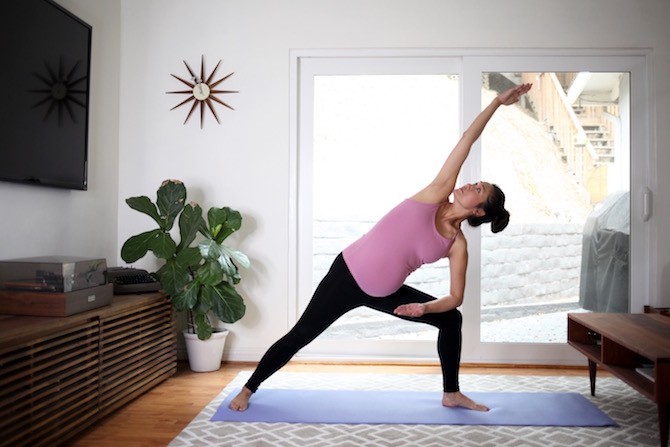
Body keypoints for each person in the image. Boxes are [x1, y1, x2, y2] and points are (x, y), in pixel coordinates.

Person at [230, 83, 533, 413]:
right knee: (302, 333)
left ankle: (451, 393)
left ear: (479, 211)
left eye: (477, 189)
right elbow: (466, 140)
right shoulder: (435, 194)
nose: (469, 185)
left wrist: (425, 308)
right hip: (347, 275)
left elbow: (455, 297)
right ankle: (249, 388)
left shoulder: (457, 244)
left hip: (384, 293)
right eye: (475, 182)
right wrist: (496, 104)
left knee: (451, 319)